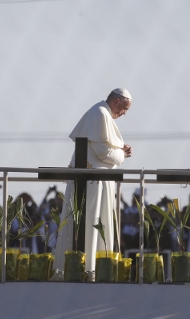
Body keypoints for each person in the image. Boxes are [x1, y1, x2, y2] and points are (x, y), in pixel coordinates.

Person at [53, 88, 133, 278]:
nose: (124, 113)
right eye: (124, 108)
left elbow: (104, 145)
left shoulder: (102, 114)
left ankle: (90, 268)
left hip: (97, 182)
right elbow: (103, 152)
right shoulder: (99, 114)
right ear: (116, 101)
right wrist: (122, 154)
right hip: (92, 183)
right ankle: (88, 270)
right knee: (91, 223)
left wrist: (120, 149)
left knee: (95, 224)